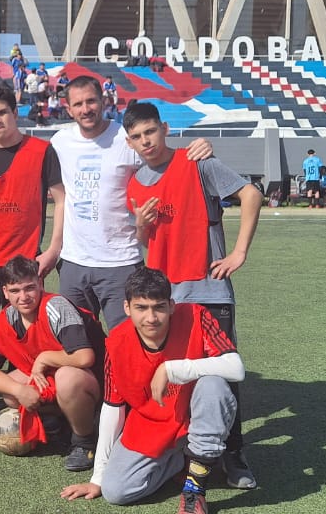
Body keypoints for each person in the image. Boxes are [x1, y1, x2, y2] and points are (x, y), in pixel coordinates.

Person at [123, 101, 262, 490]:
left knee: (223, 376)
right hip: (166, 297)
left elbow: (251, 194)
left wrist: (238, 253)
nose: (145, 141)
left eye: (150, 131)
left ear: (164, 129)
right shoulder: (135, 183)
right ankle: (183, 449)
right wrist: (140, 225)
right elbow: (146, 241)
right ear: (129, 142)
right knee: (173, 375)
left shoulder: (197, 161)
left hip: (208, 288)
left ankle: (233, 454)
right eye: (136, 136)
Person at [61, 268, 244, 514]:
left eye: (159, 307)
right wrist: (98, 476)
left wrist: (173, 369)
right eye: (141, 308)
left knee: (213, 384)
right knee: (116, 492)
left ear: (171, 305)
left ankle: (195, 489)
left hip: (193, 418)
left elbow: (236, 367)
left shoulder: (196, 315)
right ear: (127, 307)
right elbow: (113, 407)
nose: (151, 317)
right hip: (150, 426)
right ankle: (182, 459)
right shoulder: (116, 342)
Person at [50, 75, 211, 335]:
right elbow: (25, 153)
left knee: (128, 340)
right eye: (78, 104)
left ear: (104, 101)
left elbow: (164, 158)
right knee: (75, 341)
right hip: (73, 262)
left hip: (121, 261)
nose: (85, 109)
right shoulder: (59, 141)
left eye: (91, 101)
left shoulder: (125, 138)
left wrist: (200, 146)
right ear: (68, 109)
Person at [0, 84, 65, 430]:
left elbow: (60, 200)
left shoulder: (42, 151)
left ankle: (25, 402)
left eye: (2, 113)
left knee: (22, 339)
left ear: (14, 112)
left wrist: (53, 248)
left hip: (19, 266)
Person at [0, 256, 102, 472]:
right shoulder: (5, 320)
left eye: (29, 288)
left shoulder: (56, 306)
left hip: (98, 385)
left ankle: (85, 441)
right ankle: (59, 422)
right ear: (5, 292)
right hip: (57, 381)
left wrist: (45, 358)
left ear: (40, 284)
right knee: (11, 389)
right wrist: (19, 390)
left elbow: (84, 357)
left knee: (67, 378)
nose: (23, 297)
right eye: (15, 291)